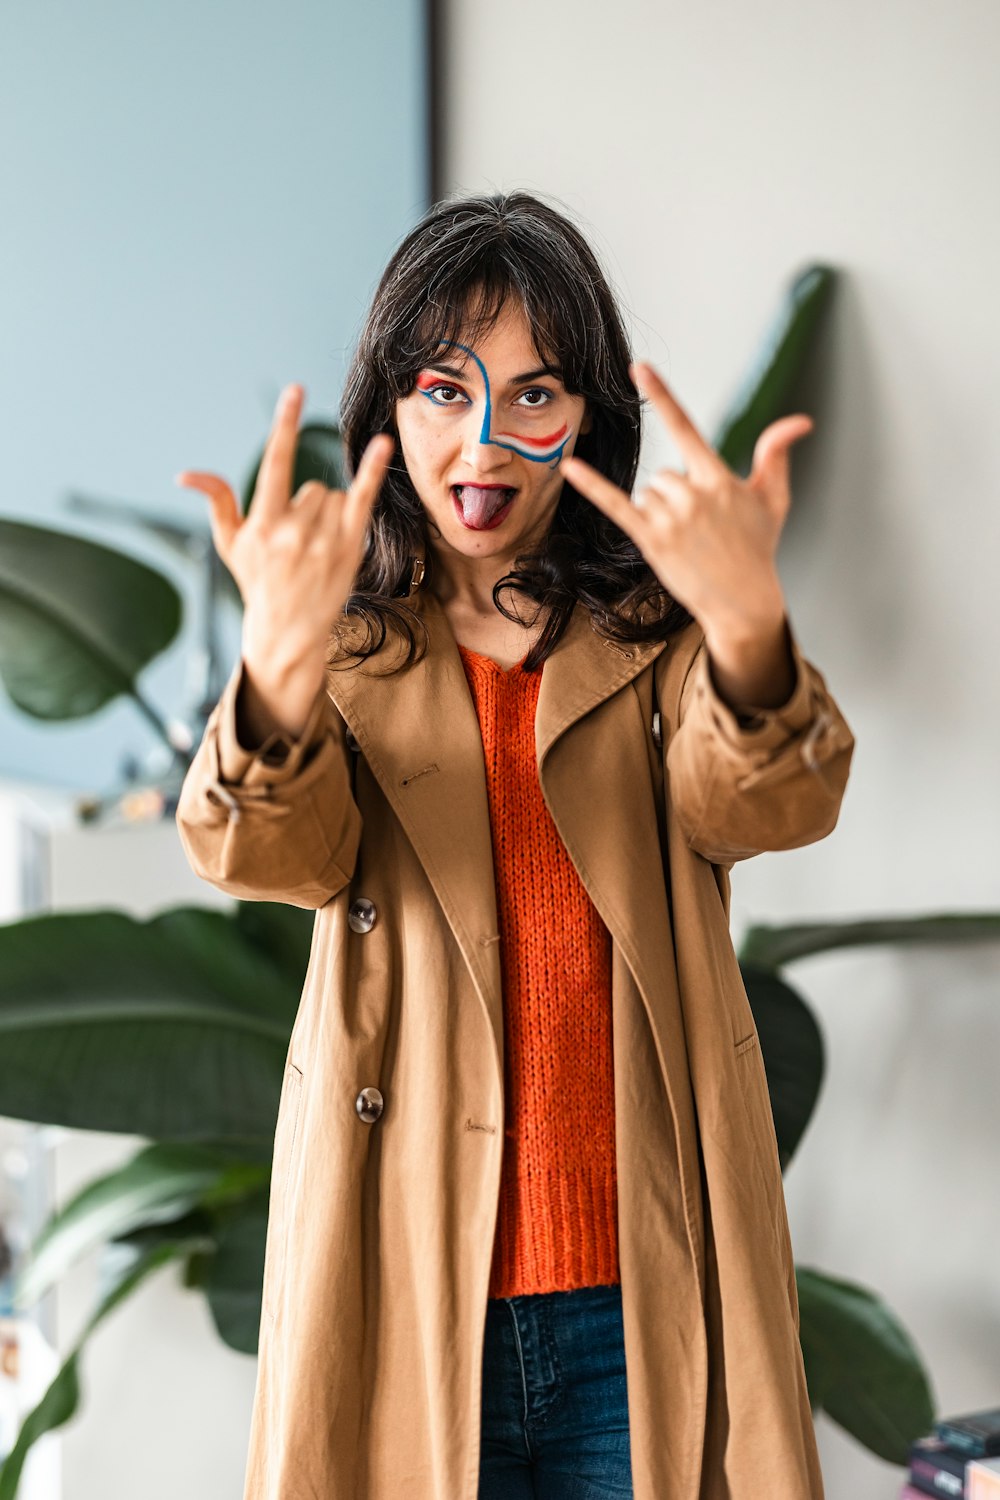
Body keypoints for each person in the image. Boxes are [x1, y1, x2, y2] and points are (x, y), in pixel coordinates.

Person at [174, 189, 855, 1500]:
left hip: (636, 1297)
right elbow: (272, 856)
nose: (483, 438)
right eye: (442, 387)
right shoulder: (339, 640)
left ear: (587, 415)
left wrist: (753, 631)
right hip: (409, 1277)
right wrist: (273, 666)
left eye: (534, 394)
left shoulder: (659, 634)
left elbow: (764, 804)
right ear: (389, 407)